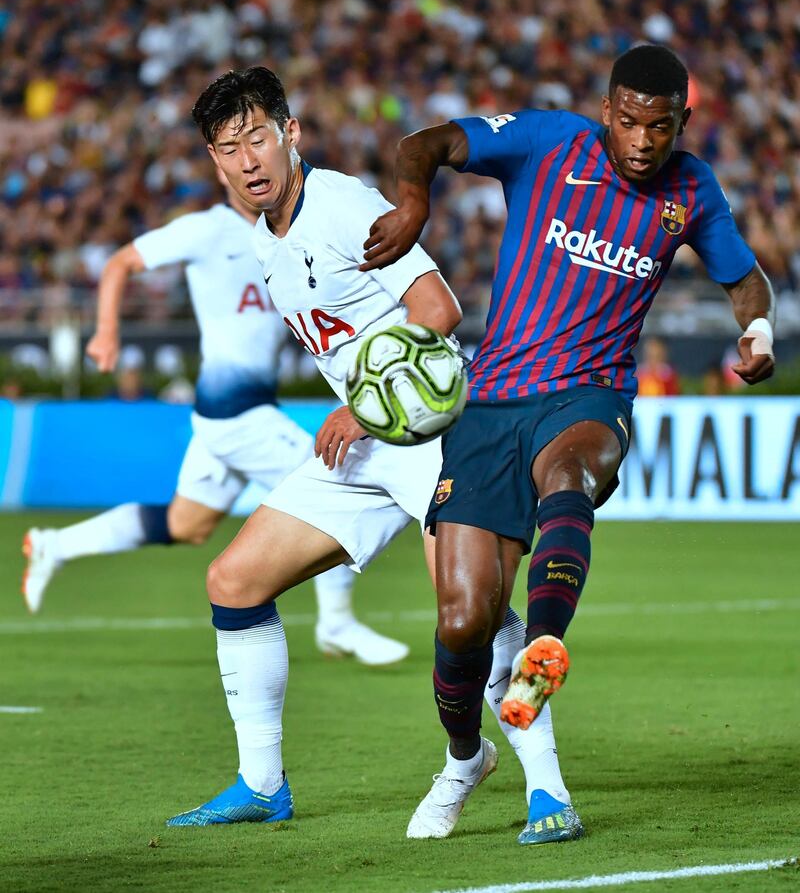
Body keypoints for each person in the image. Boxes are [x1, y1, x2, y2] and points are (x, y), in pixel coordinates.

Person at [360, 44, 776, 841]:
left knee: (573, 472)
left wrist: (755, 329)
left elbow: (744, 276)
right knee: (461, 623)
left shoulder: (693, 190)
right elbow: (426, 143)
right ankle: (463, 758)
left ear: (682, 122)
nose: (644, 141)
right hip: (490, 404)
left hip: (591, 394)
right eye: (629, 122)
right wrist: (414, 202)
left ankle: (545, 640)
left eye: (660, 126)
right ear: (607, 110)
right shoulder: (549, 141)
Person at [166, 67, 577, 845]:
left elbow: (438, 309)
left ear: (291, 134)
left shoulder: (343, 206)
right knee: (233, 579)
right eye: (229, 148)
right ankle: (262, 784)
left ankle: (546, 790)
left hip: (433, 430)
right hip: (365, 448)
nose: (249, 159)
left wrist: (363, 404)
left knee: (475, 617)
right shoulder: (263, 235)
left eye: (259, 137)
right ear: (216, 163)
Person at [21, 167, 409, 668]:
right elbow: (120, 262)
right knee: (333, 477)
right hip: (237, 413)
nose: (249, 170)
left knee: (187, 523)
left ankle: (56, 545)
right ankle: (337, 623)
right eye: (232, 159)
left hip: (233, 411)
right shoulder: (207, 229)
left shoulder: (288, 233)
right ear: (222, 175)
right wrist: (106, 332)